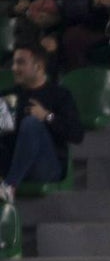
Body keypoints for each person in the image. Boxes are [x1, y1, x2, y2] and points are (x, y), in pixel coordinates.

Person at [0, 43, 83, 204]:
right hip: (12, 163)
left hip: (46, 166)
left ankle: (9, 186)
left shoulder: (60, 95)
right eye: (14, 63)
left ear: (38, 67)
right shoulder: (7, 96)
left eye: (20, 63)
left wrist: (47, 116)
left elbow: (77, 135)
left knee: (31, 123)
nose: (14, 68)